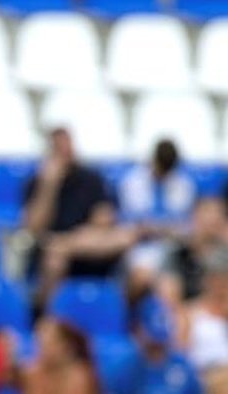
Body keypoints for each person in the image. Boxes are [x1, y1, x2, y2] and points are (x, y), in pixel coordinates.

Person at [22, 127, 137, 305]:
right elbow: (34, 228)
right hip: (51, 250)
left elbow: (104, 220)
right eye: (59, 148)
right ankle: (51, 317)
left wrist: (68, 242)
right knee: (55, 259)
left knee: (125, 237)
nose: (66, 152)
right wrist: (49, 186)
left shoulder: (91, 179)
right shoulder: (36, 182)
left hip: (87, 245)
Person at [115, 294, 203, 394]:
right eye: (155, 344)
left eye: (160, 344)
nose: (158, 347)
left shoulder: (183, 365)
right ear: (138, 329)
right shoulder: (127, 370)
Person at [120, 139, 196, 226]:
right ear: (153, 161)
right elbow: (131, 217)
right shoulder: (132, 181)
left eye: (166, 173)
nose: (162, 176)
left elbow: (182, 218)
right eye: (160, 170)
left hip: (173, 234)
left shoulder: (184, 184)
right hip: (139, 233)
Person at [184, 245, 228, 391]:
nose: (220, 285)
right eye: (215, 279)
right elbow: (181, 355)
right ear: (206, 281)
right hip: (204, 377)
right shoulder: (190, 312)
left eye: (224, 279)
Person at [21, 317, 100, 393]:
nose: (41, 349)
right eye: (39, 343)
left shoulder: (80, 377)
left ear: (66, 346)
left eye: (48, 344)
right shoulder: (33, 373)